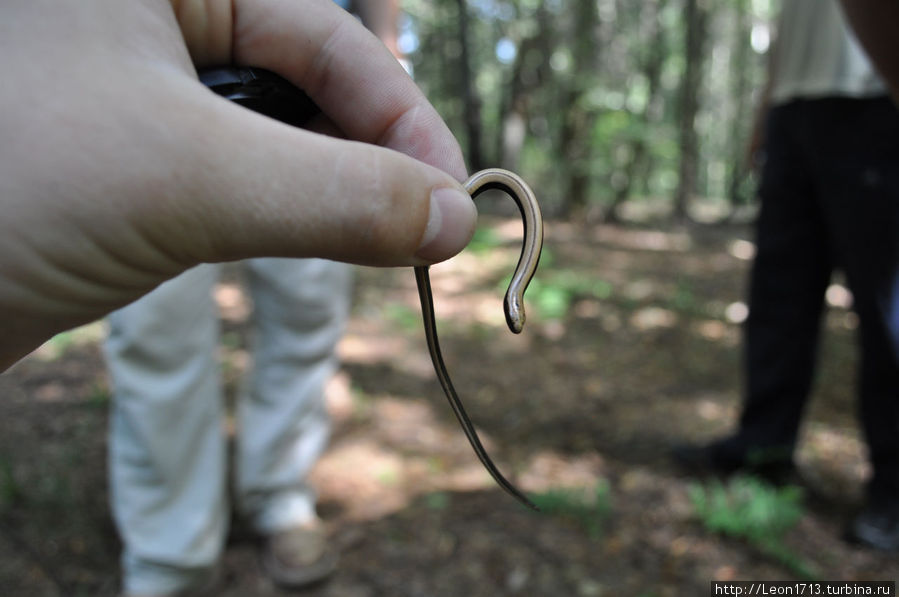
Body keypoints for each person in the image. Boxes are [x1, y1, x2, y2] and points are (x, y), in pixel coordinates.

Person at [0, 0, 478, 374]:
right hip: (180, 70)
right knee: (159, 331)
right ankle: (180, 503)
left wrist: (388, 45)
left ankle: (277, 493)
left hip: (311, 99)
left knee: (302, 322)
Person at [674, 0, 899, 551]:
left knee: (885, 304)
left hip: (874, 99)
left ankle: (895, 488)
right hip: (792, 111)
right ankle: (764, 445)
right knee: (779, 294)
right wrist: (766, 110)